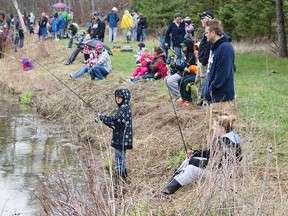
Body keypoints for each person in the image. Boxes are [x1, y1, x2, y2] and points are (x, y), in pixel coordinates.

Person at [154, 114, 242, 196]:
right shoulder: (228, 137)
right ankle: (171, 182)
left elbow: (216, 164)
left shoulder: (226, 142)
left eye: (215, 126)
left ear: (222, 129)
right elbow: (212, 154)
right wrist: (195, 153)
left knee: (191, 169)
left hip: (223, 176)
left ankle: (166, 191)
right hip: (220, 171)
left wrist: (194, 161)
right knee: (192, 158)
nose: (213, 128)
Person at [202, 19, 236, 148]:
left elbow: (223, 74)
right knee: (211, 129)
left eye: (206, 32)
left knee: (220, 131)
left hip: (220, 98)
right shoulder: (215, 47)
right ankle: (211, 157)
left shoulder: (225, 48)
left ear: (213, 33)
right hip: (212, 98)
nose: (205, 35)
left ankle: (220, 160)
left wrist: (211, 89)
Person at [96, 88, 133, 181]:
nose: (117, 99)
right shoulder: (124, 107)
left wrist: (103, 117)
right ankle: (123, 177)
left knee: (119, 159)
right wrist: (104, 120)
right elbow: (117, 123)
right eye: (116, 97)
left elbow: (116, 120)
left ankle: (119, 177)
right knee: (121, 158)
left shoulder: (124, 108)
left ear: (125, 98)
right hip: (122, 138)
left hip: (122, 138)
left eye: (120, 97)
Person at [195, 11, 214, 106]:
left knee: (204, 81)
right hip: (201, 60)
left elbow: (209, 47)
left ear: (209, 19)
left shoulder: (212, 30)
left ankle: (206, 103)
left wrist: (204, 60)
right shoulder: (205, 30)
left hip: (205, 62)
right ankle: (199, 101)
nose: (201, 20)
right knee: (197, 81)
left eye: (203, 18)